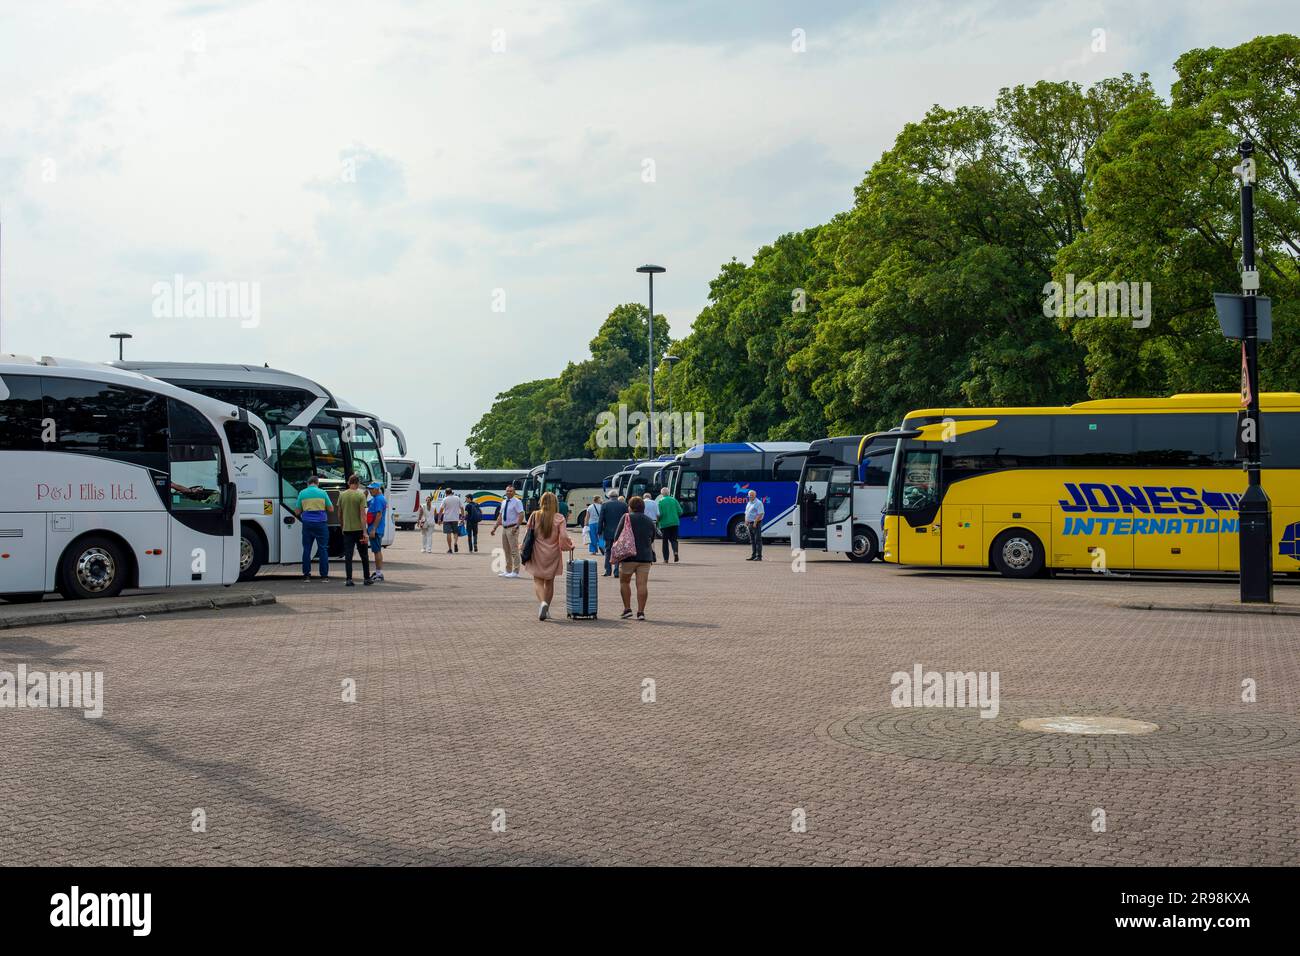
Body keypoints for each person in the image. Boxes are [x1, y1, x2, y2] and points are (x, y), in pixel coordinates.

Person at [522, 491, 575, 620]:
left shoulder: (535, 515)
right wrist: (568, 546)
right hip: (553, 553)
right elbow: (563, 536)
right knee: (549, 582)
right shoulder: (559, 518)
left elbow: (528, 534)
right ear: (555, 503)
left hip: (537, 552)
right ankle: (547, 609)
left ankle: (542, 603)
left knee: (538, 580)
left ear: (541, 502)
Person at [615, 495, 657, 620]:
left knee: (624, 582)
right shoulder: (649, 520)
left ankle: (627, 609)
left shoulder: (626, 517)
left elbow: (617, 536)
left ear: (630, 507)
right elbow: (652, 537)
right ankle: (641, 612)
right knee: (642, 584)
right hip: (645, 557)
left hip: (628, 556)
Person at [294, 475, 334, 580]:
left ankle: (306, 575)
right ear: (317, 483)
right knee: (323, 549)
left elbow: (297, 511)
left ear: (308, 483)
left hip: (307, 524)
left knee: (307, 549)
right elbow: (331, 509)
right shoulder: (323, 493)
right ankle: (324, 575)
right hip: (321, 524)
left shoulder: (302, 493)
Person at [338, 474, 372, 586]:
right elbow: (363, 515)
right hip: (359, 530)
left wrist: (342, 526)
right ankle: (366, 578)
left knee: (348, 555)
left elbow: (340, 514)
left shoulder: (342, 495)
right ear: (357, 484)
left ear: (349, 482)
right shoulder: (360, 495)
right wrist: (364, 531)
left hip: (347, 529)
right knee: (364, 555)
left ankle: (349, 579)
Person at [490, 484, 525, 578]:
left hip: (512, 528)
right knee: (506, 551)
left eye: (511, 491)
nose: (508, 492)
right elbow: (500, 516)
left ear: (514, 492)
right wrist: (495, 528)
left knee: (514, 551)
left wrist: (517, 526)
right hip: (505, 528)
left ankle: (516, 571)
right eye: (507, 491)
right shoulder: (504, 502)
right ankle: (508, 570)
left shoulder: (517, 502)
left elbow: (521, 514)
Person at [599, 493, 629, 578]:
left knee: (608, 551)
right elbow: (627, 519)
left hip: (608, 532)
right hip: (620, 532)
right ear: (616, 496)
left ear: (609, 496)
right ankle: (617, 572)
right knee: (618, 551)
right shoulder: (623, 505)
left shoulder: (605, 505)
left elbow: (601, 519)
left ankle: (607, 571)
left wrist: (599, 531)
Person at [366, 481, 387, 581]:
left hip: (376, 530)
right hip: (375, 529)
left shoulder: (379, 499)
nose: (370, 491)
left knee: (377, 551)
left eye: (372, 489)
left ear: (377, 489)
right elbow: (366, 504)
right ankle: (378, 572)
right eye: (369, 489)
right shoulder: (375, 498)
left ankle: (379, 573)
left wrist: (374, 529)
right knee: (376, 551)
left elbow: (379, 515)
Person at [656, 485, 681, 563]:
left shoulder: (660, 502)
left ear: (662, 494)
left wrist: (658, 521)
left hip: (664, 524)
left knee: (665, 541)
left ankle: (666, 559)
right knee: (674, 539)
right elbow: (680, 511)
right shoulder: (674, 500)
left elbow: (659, 514)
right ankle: (675, 552)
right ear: (669, 493)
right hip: (675, 523)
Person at [440, 487, 464, 554]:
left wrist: (439, 518)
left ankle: (450, 549)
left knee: (448, 533)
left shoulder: (445, 499)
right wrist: (462, 517)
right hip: (455, 519)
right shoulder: (457, 498)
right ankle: (455, 543)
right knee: (455, 532)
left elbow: (441, 510)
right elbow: (462, 508)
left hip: (447, 519)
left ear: (446, 493)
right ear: (451, 492)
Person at [745, 488, 764, 561]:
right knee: (752, 540)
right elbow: (746, 512)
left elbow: (760, 513)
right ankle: (753, 555)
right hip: (750, 523)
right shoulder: (749, 502)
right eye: (749, 495)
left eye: (752, 495)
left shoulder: (758, 503)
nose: (750, 496)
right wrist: (746, 520)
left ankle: (759, 556)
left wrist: (755, 522)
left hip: (756, 523)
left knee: (757, 540)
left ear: (755, 495)